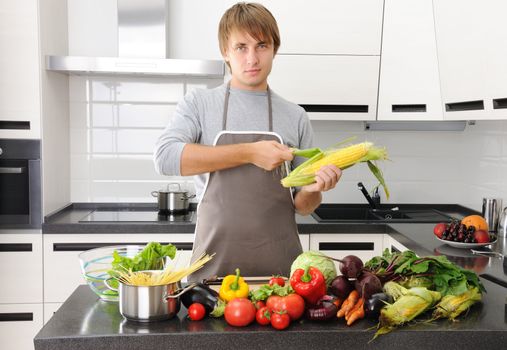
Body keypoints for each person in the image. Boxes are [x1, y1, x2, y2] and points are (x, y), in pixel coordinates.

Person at [154, 2, 341, 282]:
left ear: (274, 49)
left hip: (281, 277)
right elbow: (165, 157)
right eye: (241, 47)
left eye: (262, 46)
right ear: (225, 52)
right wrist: (250, 152)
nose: (252, 58)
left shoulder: (295, 115)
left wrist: (316, 189)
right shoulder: (199, 104)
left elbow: (303, 206)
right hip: (212, 275)